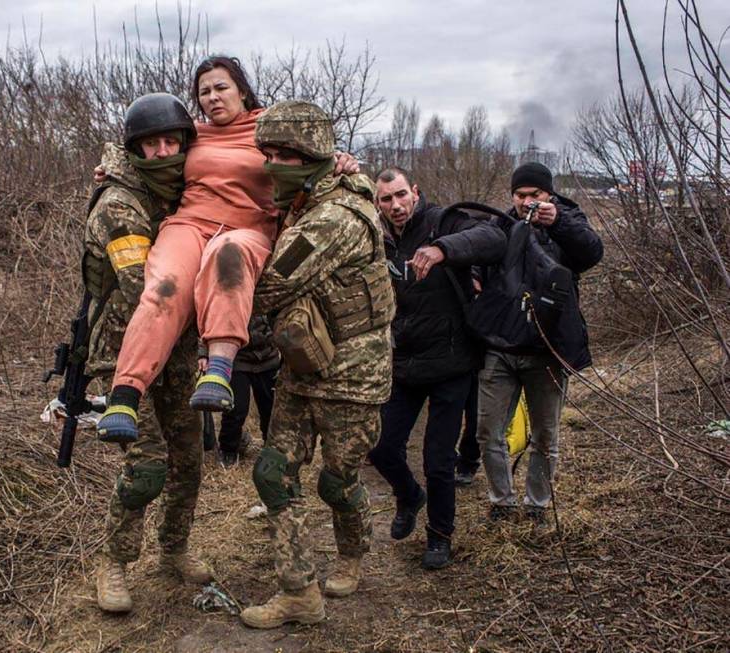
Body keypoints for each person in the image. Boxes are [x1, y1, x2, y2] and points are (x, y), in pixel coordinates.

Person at [240, 101, 394, 629]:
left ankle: (352, 554)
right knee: (272, 474)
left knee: (337, 480)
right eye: (268, 153)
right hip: (302, 369)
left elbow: (269, 286)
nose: (273, 163)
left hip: (352, 376)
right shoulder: (309, 197)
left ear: (313, 155)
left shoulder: (332, 218)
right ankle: (300, 592)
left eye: (286, 154)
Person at [94, 56, 276, 443]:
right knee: (164, 287)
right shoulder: (194, 133)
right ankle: (124, 394)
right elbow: (143, 146)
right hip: (189, 223)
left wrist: (342, 162)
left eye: (221, 87)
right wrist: (112, 167)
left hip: (248, 227)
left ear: (241, 90)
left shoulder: (270, 129)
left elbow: (314, 155)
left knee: (227, 253)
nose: (212, 97)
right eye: (203, 91)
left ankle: (219, 368)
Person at [85, 93, 213, 614]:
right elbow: (147, 288)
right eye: (150, 145)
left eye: (171, 142)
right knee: (148, 468)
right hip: (125, 359)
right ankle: (113, 561)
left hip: (179, 354)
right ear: (134, 149)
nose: (163, 153)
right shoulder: (120, 204)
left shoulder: (186, 190)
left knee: (189, 461)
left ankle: (174, 547)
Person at [367, 167, 506, 569]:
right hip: (406, 362)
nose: (395, 206)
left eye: (400, 196)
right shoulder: (378, 238)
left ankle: (440, 536)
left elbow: (494, 237)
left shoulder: (442, 220)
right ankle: (409, 496)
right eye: (385, 199)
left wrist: (443, 248)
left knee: (439, 460)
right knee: (380, 447)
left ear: (415, 191)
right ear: (377, 203)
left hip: (452, 362)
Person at [476, 162, 603, 523]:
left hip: (547, 349)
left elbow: (591, 253)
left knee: (546, 436)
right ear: (512, 195)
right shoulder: (501, 225)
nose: (527, 201)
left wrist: (556, 222)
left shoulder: (569, 221)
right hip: (501, 348)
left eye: (535, 195)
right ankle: (501, 501)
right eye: (520, 195)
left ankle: (537, 506)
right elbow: (478, 258)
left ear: (549, 194)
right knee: (488, 432)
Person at [213, 315, 280, 466]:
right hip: (237, 358)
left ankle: (271, 447)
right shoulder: (226, 293)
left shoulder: (266, 292)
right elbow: (212, 320)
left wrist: (272, 336)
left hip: (268, 358)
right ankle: (228, 451)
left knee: (270, 407)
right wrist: (204, 354)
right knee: (236, 409)